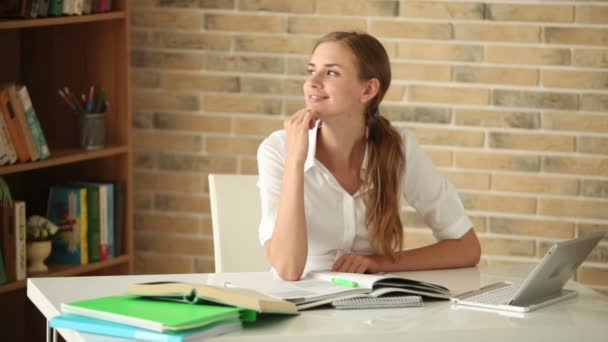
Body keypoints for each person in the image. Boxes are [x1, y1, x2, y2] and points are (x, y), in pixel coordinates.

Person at [256, 31, 481, 281]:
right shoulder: (278, 150)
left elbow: (467, 247)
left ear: (368, 89)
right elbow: (288, 269)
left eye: (331, 72)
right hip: (300, 304)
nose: (313, 82)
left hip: (371, 308)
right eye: (311, 71)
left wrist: (376, 263)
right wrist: (295, 163)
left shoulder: (398, 148)